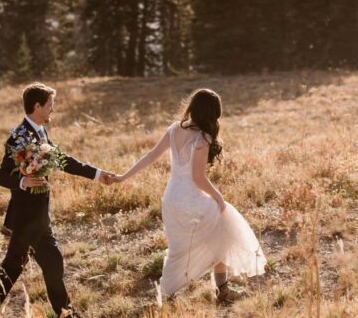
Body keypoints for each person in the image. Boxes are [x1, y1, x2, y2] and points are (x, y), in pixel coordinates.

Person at [0, 82, 114, 318]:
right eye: (50, 104)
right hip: (25, 219)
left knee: (45, 263)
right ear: (37, 106)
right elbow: (1, 175)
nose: (53, 109)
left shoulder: (41, 132)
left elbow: (63, 160)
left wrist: (99, 175)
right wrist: (22, 181)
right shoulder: (19, 137)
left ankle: (63, 316)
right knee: (19, 267)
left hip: (39, 218)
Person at [113, 87, 265, 302]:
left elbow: (151, 155)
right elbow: (198, 178)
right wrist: (219, 198)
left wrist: (124, 176)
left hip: (171, 200)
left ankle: (167, 294)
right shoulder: (202, 139)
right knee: (225, 230)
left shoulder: (175, 129)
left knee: (179, 250)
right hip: (191, 200)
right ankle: (222, 290)